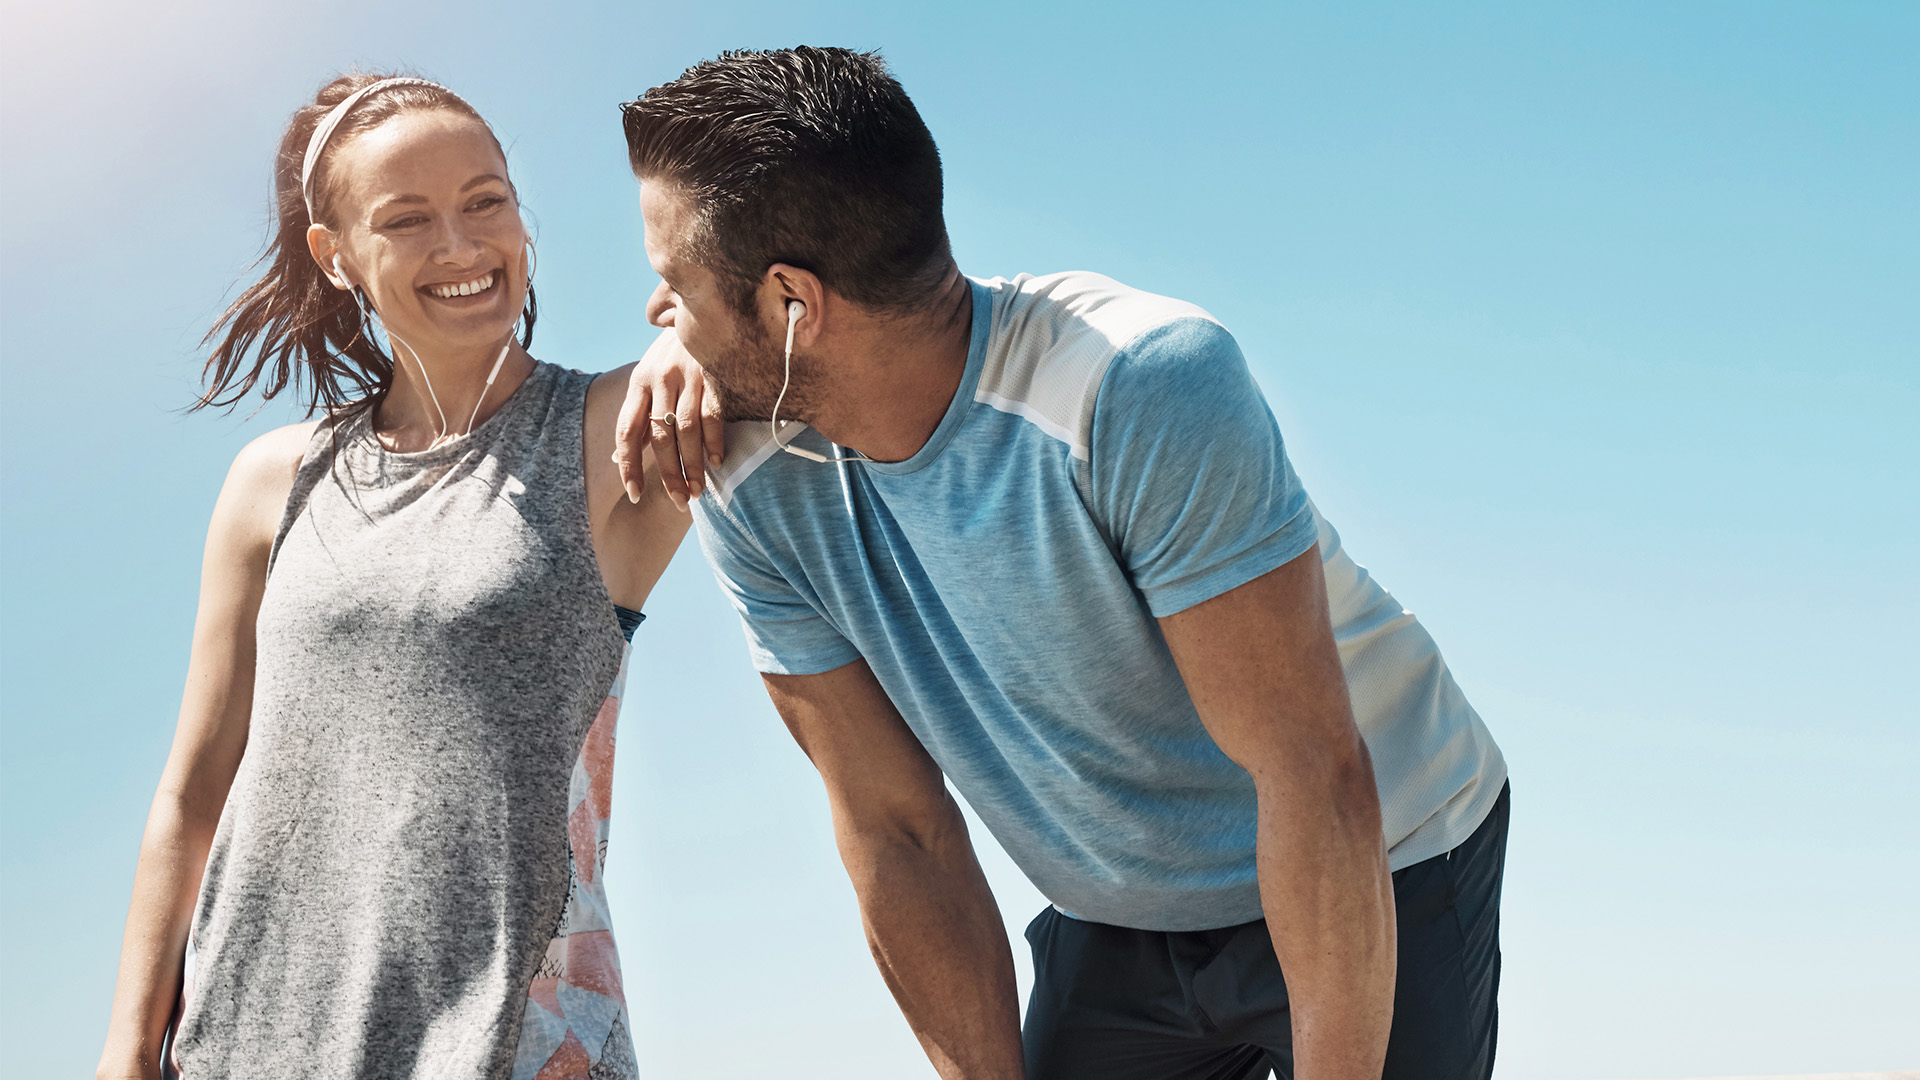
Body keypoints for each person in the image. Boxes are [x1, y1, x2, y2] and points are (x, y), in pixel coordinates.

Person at [612, 47, 1510, 1080]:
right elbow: (896, 830)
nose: (655, 314)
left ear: (791, 306)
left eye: (670, 280)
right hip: (1120, 904)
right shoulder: (742, 473)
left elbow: (1312, 770)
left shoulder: (1141, 384)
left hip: (1377, 843)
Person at [96, 73, 717, 1080]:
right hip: (246, 1043)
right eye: (408, 220)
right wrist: (126, 1054)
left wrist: (693, 331)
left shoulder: (611, 430)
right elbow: (194, 796)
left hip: (512, 1045)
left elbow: (812, 325)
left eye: (487, 201)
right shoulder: (272, 483)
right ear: (335, 256)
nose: (462, 248)